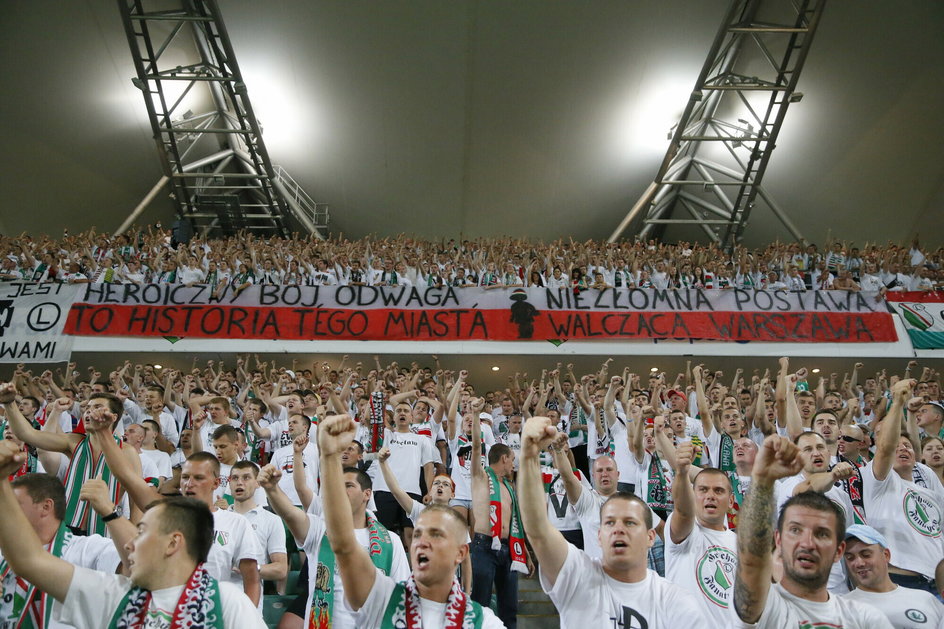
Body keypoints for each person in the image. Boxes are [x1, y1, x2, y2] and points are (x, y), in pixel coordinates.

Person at [0, 440, 265, 629]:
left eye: (142, 532)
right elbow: (28, 560)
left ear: (173, 542)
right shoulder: (112, 593)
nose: (130, 544)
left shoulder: (227, 602)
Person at [317, 413, 505, 627]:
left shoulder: (484, 622)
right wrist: (330, 456)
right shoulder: (383, 597)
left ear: (460, 552)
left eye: (436, 535)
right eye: (417, 534)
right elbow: (342, 543)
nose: (421, 542)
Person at [518, 416, 706, 629]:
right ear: (600, 535)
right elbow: (538, 531)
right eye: (609, 523)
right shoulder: (578, 576)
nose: (618, 529)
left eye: (630, 523)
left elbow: (674, 530)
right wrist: (528, 456)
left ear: (650, 536)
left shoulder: (675, 602)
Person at [84, 414, 264, 607]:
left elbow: (252, 580)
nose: (189, 483)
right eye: (185, 477)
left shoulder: (236, 523)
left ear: (216, 483)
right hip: (171, 613)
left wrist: (248, 618)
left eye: (198, 478)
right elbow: (127, 476)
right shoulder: (166, 514)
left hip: (217, 614)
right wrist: (103, 433)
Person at [731, 434, 892, 628]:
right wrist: (762, 481)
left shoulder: (864, 616)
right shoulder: (766, 607)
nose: (808, 543)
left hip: (840, 590)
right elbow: (751, 561)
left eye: (822, 533)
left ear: (838, 550)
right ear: (779, 541)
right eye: (796, 530)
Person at [0, 383, 143, 535]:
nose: (89, 412)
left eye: (97, 407)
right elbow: (27, 434)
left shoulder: (127, 452)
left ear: (113, 417)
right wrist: (9, 404)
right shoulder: (74, 441)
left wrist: (134, 534)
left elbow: (137, 498)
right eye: (88, 408)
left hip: (107, 531)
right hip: (68, 530)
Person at [862, 379, 944, 598]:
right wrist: (898, 402)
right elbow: (886, 447)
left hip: (938, 582)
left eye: (907, 446)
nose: (903, 449)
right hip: (901, 581)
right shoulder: (875, 477)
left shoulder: (926, 479)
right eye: (897, 446)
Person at [378, 446, 472, 591]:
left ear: (452, 495)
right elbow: (396, 490)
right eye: (436, 483)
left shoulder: (457, 521)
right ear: (430, 490)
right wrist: (383, 463)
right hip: (422, 583)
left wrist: (467, 591)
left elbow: (466, 562)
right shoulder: (419, 511)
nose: (440, 486)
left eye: (445, 484)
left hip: (450, 586)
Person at [664, 442, 738, 625]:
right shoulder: (686, 530)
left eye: (718, 491)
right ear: (692, 495)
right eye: (703, 490)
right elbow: (683, 511)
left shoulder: (741, 544)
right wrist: (681, 473)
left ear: (731, 501)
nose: (710, 496)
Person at [469, 405, 526, 628]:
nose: (513, 463)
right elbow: (476, 447)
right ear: (503, 459)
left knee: (509, 607)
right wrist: (475, 416)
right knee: (480, 604)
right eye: (512, 459)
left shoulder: (509, 486)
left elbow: (514, 522)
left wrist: (525, 556)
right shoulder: (480, 477)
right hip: (483, 547)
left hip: (509, 549)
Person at [841, 524, 944, 629]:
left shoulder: (926, 600)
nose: (858, 563)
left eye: (866, 555)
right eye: (850, 558)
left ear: (886, 555)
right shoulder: (841, 609)